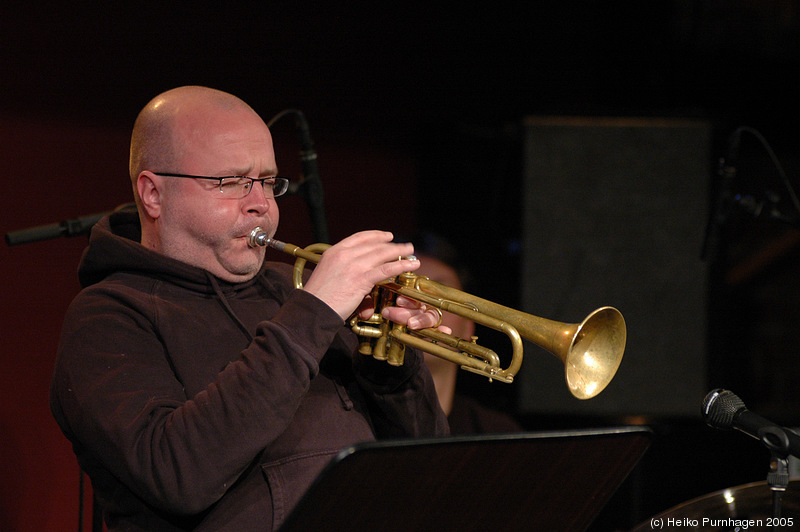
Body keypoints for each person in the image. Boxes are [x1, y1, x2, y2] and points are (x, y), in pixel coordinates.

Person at [49, 86, 449, 531]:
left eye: (267, 182)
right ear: (153, 194)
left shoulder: (292, 289)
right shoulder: (107, 317)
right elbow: (178, 473)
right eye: (233, 182)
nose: (261, 203)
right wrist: (314, 312)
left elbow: (427, 462)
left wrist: (390, 371)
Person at [411, 232, 522, 435]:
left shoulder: (497, 433)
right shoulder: (354, 425)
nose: (422, 306)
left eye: (440, 294)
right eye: (406, 292)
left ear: (468, 326)